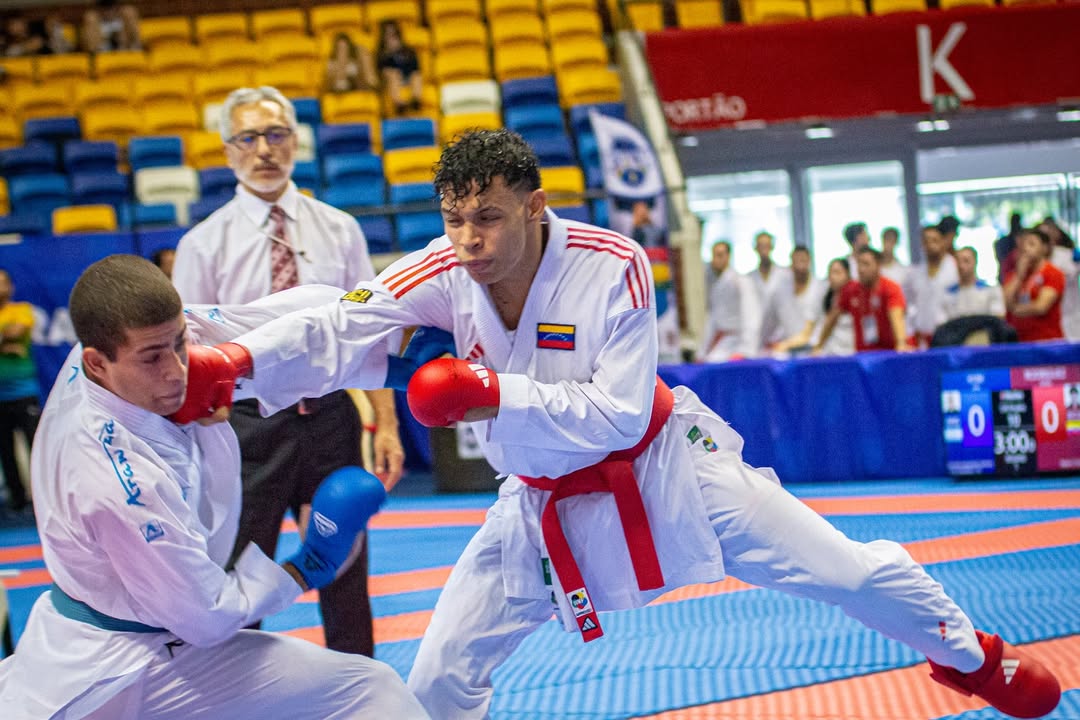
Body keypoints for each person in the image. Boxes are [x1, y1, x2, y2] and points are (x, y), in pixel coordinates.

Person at [182, 130, 1061, 720]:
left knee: (844, 571)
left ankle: (974, 656)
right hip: (535, 503)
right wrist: (237, 364)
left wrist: (492, 388)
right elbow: (344, 319)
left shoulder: (614, 266)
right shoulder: (447, 267)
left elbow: (619, 410)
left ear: (533, 207)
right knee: (442, 669)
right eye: (454, 220)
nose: (470, 240)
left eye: (488, 217)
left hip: (672, 468)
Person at [0, 254, 429, 720]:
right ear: (96, 364)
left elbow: (274, 320)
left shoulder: (136, 342)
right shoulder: (115, 480)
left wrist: (398, 330)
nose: (176, 371)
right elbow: (206, 616)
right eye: (153, 358)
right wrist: (308, 567)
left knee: (370, 689)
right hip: (113, 670)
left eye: (178, 346)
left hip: (164, 640)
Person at [172, 86, 403, 657]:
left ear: (295, 141)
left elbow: (368, 331)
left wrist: (388, 423)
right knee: (239, 563)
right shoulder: (203, 245)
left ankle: (358, 687)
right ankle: (233, 692)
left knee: (345, 567)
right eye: (247, 138)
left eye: (275, 135)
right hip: (244, 428)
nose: (263, 150)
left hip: (330, 418)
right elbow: (189, 354)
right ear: (228, 152)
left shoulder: (339, 228)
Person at [816, 247, 910, 354]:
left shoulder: (890, 288)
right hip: (863, 356)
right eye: (859, 264)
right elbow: (832, 318)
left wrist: (901, 343)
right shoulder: (851, 290)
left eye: (866, 264)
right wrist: (819, 345)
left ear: (878, 266)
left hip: (889, 354)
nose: (861, 269)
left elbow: (896, 316)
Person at [0, 269, 39, 515]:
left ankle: (42, 497)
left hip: (25, 391)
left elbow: (17, 332)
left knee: (35, 447)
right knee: (6, 452)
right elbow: (9, 336)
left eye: (3, 282)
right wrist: (7, 343)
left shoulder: (22, 310)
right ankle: (17, 501)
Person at [1003, 227, 1065, 343]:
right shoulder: (1015, 274)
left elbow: (1041, 307)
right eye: (1023, 245)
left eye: (1031, 244)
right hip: (1018, 341)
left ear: (1045, 248)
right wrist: (1019, 275)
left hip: (1047, 342)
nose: (1026, 249)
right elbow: (1005, 303)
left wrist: (1015, 309)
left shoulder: (1053, 273)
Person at [700, 239, 759, 361]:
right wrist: (702, 351)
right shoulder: (714, 283)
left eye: (720, 255)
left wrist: (746, 349)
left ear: (728, 256)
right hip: (720, 340)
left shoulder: (740, 281)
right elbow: (712, 318)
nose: (716, 260)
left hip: (737, 341)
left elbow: (751, 314)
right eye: (714, 255)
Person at [903, 225, 958, 349]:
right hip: (922, 336)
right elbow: (907, 302)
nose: (930, 245)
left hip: (949, 335)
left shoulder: (955, 268)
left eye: (934, 240)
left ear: (943, 242)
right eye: (926, 241)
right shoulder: (915, 273)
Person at [761, 245, 823, 354]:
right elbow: (770, 321)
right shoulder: (780, 289)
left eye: (803, 260)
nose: (800, 265)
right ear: (791, 263)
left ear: (809, 261)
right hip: (786, 348)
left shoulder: (819, 288)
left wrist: (786, 345)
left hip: (813, 348)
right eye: (796, 260)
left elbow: (808, 331)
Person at [943, 246, 1005, 321]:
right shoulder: (947, 293)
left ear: (975, 262)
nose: (961, 265)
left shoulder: (991, 290)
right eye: (958, 261)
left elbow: (998, 317)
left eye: (966, 261)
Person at [376, 19, 423, 116]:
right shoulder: (381, 53)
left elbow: (415, 67)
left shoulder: (408, 51)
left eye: (393, 34)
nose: (391, 37)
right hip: (390, 79)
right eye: (387, 34)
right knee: (394, 74)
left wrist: (401, 53)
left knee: (416, 76)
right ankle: (399, 104)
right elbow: (381, 68)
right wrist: (390, 54)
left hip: (407, 76)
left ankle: (416, 101)